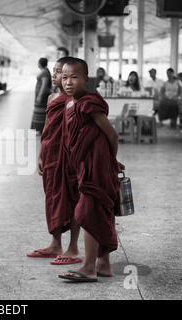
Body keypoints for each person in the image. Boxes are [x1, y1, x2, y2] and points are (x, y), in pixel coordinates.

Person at [58, 58, 125, 282]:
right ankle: (103, 264)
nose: (68, 82)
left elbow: (112, 135)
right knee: (100, 212)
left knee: (88, 211)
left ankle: (88, 268)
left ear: (86, 80)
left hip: (97, 167)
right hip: (87, 165)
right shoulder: (72, 104)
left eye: (74, 77)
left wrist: (111, 162)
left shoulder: (89, 103)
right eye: (64, 77)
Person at [27, 57, 81, 265]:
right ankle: (55, 243)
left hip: (69, 158)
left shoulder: (74, 101)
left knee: (73, 199)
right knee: (53, 197)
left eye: (60, 72)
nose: (55, 75)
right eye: (55, 71)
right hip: (51, 156)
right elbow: (47, 130)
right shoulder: (51, 99)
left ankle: (73, 248)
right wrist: (41, 155)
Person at [31, 58, 52, 134]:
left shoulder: (44, 72)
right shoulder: (45, 71)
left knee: (41, 112)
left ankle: (41, 129)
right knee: (39, 112)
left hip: (43, 96)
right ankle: (40, 129)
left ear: (39, 64)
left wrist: (40, 95)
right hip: (41, 95)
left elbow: (44, 85)